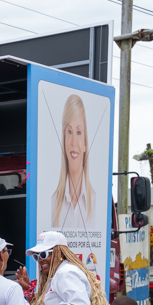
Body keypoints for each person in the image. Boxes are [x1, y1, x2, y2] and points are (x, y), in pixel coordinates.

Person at [51, 94, 96, 230]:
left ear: (85, 143)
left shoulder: (95, 201)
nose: (74, 142)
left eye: (78, 132)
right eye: (69, 131)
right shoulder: (53, 203)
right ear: (63, 140)